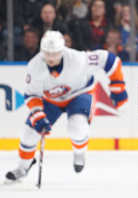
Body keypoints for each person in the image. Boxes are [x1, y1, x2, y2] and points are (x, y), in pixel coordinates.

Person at [5, 30, 128, 182]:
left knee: (76, 127)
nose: (50, 58)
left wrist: (118, 86)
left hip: (80, 93)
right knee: (29, 132)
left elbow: (110, 60)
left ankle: (79, 152)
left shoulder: (78, 59)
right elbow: (32, 95)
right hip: (50, 100)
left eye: (55, 53)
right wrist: (38, 116)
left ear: (62, 50)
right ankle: (23, 167)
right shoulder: (35, 66)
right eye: (47, 53)